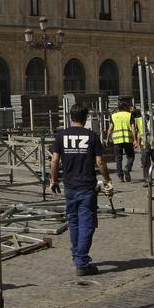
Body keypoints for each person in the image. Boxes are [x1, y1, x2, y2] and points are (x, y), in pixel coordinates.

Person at [48, 102, 111, 275]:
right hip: (86, 186)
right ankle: (82, 263)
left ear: (71, 117)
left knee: (74, 222)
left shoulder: (61, 135)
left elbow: (54, 161)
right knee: (87, 225)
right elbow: (100, 162)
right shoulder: (91, 136)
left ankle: (77, 254)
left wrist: (53, 179)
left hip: (69, 186)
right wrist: (107, 180)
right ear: (86, 118)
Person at [109, 98, 139, 182]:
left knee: (118, 158)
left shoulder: (114, 116)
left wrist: (108, 137)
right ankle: (127, 168)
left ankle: (120, 176)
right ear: (125, 108)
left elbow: (110, 129)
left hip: (117, 141)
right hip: (128, 139)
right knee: (131, 156)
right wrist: (135, 140)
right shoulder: (129, 115)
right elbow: (133, 128)